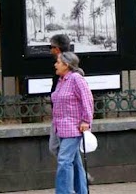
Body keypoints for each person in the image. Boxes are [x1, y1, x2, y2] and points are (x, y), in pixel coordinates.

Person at [51, 51, 94, 194]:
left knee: (64, 161)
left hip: (73, 128)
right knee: (75, 163)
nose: (55, 65)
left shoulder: (76, 78)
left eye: (58, 62)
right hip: (61, 128)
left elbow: (87, 100)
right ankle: (82, 191)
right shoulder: (61, 80)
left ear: (66, 65)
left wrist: (86, 121)